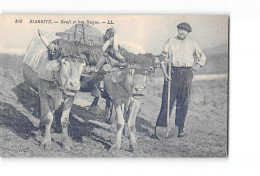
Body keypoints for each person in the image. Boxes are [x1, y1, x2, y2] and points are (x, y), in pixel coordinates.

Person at [154, 22, 206, 138]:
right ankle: (160, 129)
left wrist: (197, 66)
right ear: (178, 30)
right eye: (181, 29)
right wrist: (165, 73)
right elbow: (162, 57)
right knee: (167, 101)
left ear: (188, 33)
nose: (182, 32)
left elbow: (202, 56)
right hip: (172, 73)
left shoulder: (192, 44)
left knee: (183, 103)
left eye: (185, 30)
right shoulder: (170, 41)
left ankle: (180, 129)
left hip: (187, 74)